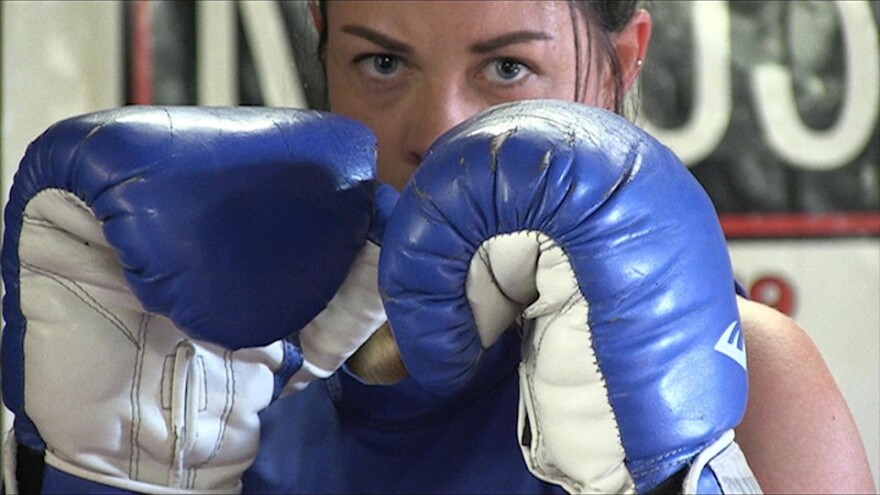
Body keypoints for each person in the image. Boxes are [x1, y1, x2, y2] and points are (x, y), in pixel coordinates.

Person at [241, 1, 876, 493]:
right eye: (383, 63)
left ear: (619, 65)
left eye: (506, 68)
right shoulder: (224, 355)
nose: (438, 129)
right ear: (323, 48)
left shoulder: (742, 371)